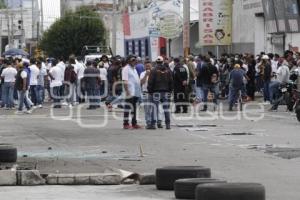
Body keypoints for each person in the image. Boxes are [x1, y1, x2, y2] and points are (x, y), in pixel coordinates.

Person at [148, 57, 173, 130]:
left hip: (156, 91)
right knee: (166, 108)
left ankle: (153, 124)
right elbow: (171, 81)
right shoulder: (167, 70)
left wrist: (150, 91)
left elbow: (150, 82)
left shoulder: (153, 70)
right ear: (162, 62)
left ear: (156, 62)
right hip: (165, 91)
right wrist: (170, 91)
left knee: (154, 108)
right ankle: (168, 124)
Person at [122, 55, 142, 129]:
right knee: (127, 108)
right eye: (133, 60)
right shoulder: (126, 69)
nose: (135, 61)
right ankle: (125, 123)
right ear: (129, 61)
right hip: (129, 91)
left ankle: (134, 123)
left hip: (136, 92)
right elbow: (125, 80)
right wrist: (127, 91)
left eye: (135, 60)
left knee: (134, 108)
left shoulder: (134, 69)